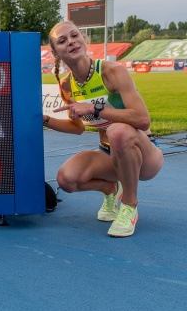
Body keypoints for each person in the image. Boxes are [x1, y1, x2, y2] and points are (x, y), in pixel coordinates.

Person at [44, 21, 163, 237]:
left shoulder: (112, 72)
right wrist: (45, 120)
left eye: (74, 35)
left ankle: (129, 205)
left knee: (117, 131)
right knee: (66, 179)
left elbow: (142, 119)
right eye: (62, 41)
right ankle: (110, 189)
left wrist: (94, 108)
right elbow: (77, 128)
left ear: (83, 39)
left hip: (145, 155)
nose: (71, 42)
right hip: (108, 154)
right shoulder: (66, 85)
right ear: (55, 52)